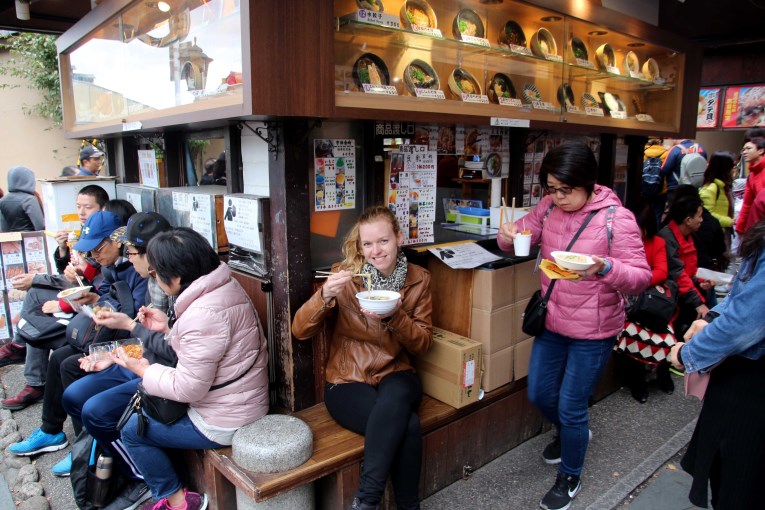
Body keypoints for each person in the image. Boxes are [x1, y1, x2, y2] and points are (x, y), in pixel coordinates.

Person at [496, 142, 651, 510]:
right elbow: (523, 232)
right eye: (552, 188)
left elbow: (641, 277)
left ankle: (570, 475)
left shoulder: (617, 218)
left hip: (594, 330)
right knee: (539, 393)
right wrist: (507, 234)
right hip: (552, 319)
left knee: (571, 404)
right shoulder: (548, 207)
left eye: (567, 189)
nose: (559, 197)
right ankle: (571, 432)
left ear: (588, 182)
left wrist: (605, 267)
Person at [116, 228, 269, 510]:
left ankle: (180, 502)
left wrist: (143, 370)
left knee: (131, 431)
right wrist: (168, 329)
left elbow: (189, 387)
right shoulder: (223, 287)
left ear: (175, 277)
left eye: (155, 273)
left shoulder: (202, 313)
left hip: (224, 419)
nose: (155, 279)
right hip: (241, 399)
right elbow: (208, 352)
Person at [292, 205, 433, 510]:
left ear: (398, 238)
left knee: (398, 400)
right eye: (367, 244)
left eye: (383, 241)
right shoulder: (346, 276)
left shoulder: (419, 279)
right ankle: (403, 505)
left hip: (396, 372)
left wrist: (395, 315)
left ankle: (365, 501)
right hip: (347, 379)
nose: (376, 251)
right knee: (406, 425)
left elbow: (422, 344)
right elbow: (299, 331)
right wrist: (325, 295)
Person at [7, 211, 147, 477]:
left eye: (97, 248)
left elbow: (139, 323)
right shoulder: (112, 266)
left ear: (119, 240)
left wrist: (101, 306)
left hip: (132, 345)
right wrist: (92, 299)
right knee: (60, 356)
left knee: (71, 365)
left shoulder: (143, 272)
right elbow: (110, 297)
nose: (93, 255)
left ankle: (88, 447)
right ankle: (53, 431)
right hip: (113, 336)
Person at [59, 212, 174, 507]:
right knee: (74, 394)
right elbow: (149, 341)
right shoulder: (151, 281)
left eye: (131, 252)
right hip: (144, 359)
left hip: (161, 372)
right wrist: (113, 356)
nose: (128, 258)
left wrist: (125, 345)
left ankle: (142, 478)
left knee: (95, 411)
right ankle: (104, 460)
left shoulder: (170, 286)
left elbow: (172, 352)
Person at [668, 216, 765, 510]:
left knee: (739, 480)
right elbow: (744, 296)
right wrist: (711, 318)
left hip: (751, 387)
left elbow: (747, 321)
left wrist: (688, 354)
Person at [0, 186, 108, 409]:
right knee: (35, 293)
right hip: (83, 301)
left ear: (102, 209)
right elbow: (68, 273)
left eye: (87, 207)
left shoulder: (104, 241)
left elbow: (94, 286)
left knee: (37, 294)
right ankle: (27, 363)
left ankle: (29, 366)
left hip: (91, 312)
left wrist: (61, 302)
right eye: (78, 206)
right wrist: (62, 249)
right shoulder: (81, 232)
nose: (81, 212)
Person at [615, 203, 676, 403]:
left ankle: (663, 373)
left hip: (647, 298)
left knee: (665, 333)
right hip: (626, 300)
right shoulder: (621, 241)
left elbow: (662, 271)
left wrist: (639, 279)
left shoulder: (656, 243)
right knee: (631, 332)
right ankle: (637, 381)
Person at [658, 195, 711, 344]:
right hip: (671, 302)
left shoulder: (687, 236)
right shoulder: (668, 238)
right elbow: (677, 273)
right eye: (699, 216)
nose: (701, 220)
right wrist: (697, 303)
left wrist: (699, 283)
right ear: (688, 220)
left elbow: (687, 273)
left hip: (682, 297)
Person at [661, 139, 708, 204]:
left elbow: (664, 170)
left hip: (676, 188)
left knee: (676, 211)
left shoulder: (675, 150)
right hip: (696, 187)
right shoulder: (701, 148)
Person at [734, 137, 765, 235]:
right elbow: (747, 203)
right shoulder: (752, 175)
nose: (744, 152)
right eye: (743, 149)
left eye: (748, 148)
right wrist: (740, 227)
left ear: (761, 151)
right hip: (757, 225)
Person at [0, 166, 45, 232]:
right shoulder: (29, 199)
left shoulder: (2, 200)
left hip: (12, 239)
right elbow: (40, 225)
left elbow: (3, 226)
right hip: (31, 239)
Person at [699, 151, 736, 231]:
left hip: (722, 231)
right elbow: (706, 214)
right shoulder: (711, 188)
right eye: (732, 166)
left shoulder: (724, 187)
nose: (734, 169)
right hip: (714, 234)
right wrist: (729, 221)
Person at [643, 138, 670, 224]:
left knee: (644, 211)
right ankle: (655, 234)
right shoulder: (666, 153)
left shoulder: (643, 152)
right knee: (657, 214)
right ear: (660, 143)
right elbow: (667, 170)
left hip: (645, 187)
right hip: (661, 189)